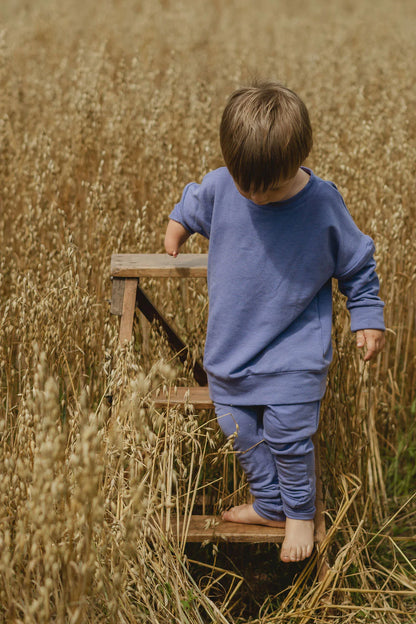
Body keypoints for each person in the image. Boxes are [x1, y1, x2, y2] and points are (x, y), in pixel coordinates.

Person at [164, 82, 385, 563]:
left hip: (295, 357)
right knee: (238, 432)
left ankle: (300, 513)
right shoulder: (224, 186)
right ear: (233, 168)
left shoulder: (322, 203)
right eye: (249, 189)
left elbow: (357, 264)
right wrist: (177, 226)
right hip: (231, 355)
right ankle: (269, 505)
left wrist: (367, 316)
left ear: (297, 162)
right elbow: (194, 202)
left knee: (288, 438)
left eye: (273, 188)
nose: (258, 199)